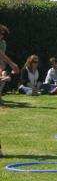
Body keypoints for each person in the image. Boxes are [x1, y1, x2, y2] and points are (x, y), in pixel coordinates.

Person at [0, 26, 19, 158]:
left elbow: (1, 57)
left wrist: (2, 71)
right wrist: (12, 64)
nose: (1, 37)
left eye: (2, 35)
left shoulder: (2, 43)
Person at [0, 25, 12, 103]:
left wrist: (2, 65)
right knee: (5, 77)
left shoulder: (3, 43)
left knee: (4, 74)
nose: (1, 35)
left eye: (3, 34)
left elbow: (3, 55)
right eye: (0, 33)